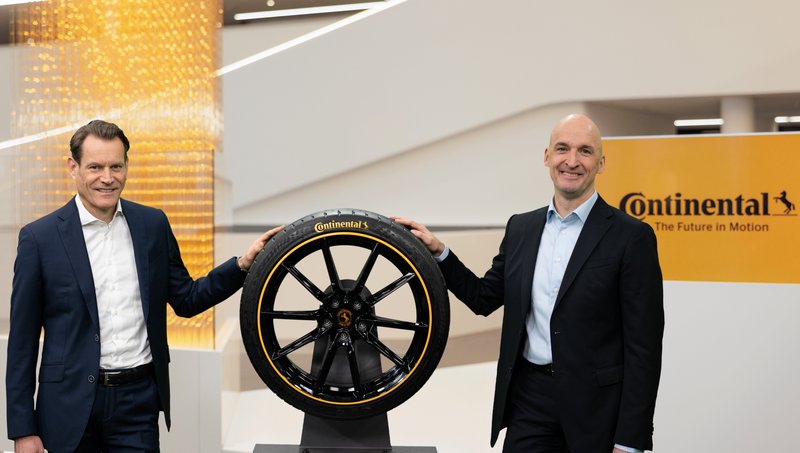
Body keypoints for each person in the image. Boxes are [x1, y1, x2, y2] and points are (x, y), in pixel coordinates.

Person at [6, 120, 283, 453]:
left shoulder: (152, 225)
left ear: (126, 166)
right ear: (73, 167)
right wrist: (23, 429)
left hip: (136, 403)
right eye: (95, 167)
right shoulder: (39, 238)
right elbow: (22, 343)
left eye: (116, 166)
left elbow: (187, 298)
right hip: (67, 406)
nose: (107, 177)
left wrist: (242, 266)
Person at [393, 114, 664, 453]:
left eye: (585, 151)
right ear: (547, 157)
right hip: (530, 401)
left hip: (597, 410)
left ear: (601, 163)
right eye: (562, 149)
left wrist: (629, 440)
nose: (572, 161)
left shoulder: (632, 237)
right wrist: (439, 252)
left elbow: (644, 348)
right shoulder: (521, 228)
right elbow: (483, 297)